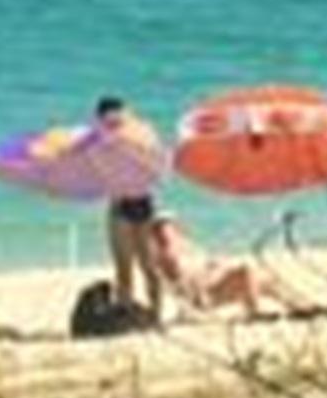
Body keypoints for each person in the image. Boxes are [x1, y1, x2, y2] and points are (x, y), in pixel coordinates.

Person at [92, 97, 168, 322]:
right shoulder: (142, 133)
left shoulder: (105, 138)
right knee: (148, 265)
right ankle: (155, 315)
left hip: (122, 205)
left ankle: (129, 313)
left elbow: (99, 169)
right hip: (144, 203)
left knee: (126, 266)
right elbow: (157, 167)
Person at [146, 211, 271, 320]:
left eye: (169, 224)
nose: (167, 229)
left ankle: (288, 307)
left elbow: (202, 265)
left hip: (211, 288)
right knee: (247, 270)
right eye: (163, 226)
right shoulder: (165, 255)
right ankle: (254, 311)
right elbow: (182, 285)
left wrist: (216, 265)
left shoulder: (182, 246)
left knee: (264, 277)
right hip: (205, 297)